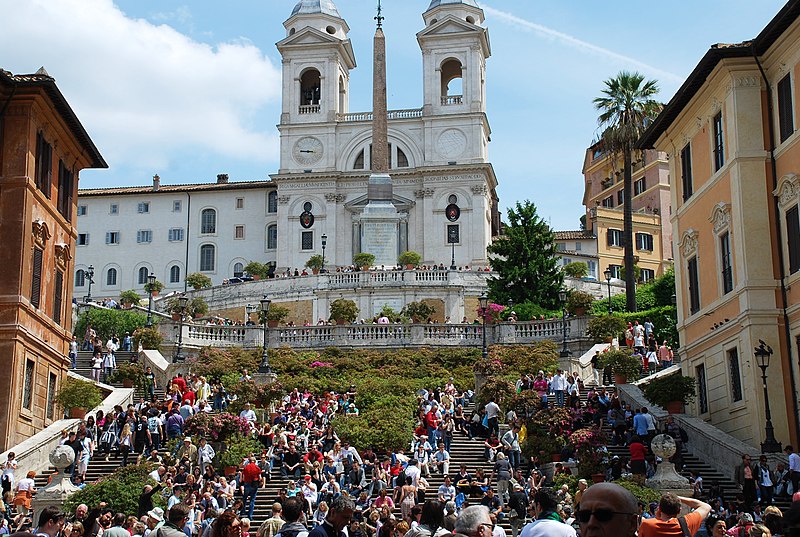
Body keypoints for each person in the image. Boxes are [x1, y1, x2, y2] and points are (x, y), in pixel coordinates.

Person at [637, 493, 710, 537]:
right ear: (679, 510)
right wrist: (678, 498)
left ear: (659, 509)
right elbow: (706, 507)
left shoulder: (647, 525)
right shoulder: (687, 523)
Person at [241, 455, 262, 521]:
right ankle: (250, 515)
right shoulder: (257, 467)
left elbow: (243, 478)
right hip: (254, 484)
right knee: (252, 500)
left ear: (249, 461)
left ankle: (243, 511)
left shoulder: (246, 467)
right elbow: (260, 477)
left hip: (247, 483)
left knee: (244, 498)